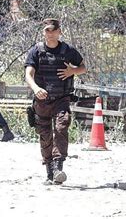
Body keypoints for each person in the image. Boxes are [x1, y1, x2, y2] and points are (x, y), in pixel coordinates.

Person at [24, 18, 86, 185]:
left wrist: (73, 71)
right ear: (43, 32)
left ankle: (58, 166)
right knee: (44, 135)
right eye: (47, 30)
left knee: (61, 126)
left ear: (59, 32)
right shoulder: (36, 51)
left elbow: (83, 67)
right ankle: (50, 172)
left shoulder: (68, 50)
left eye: (53, 30)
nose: (50, 34)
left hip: (61, 98)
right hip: (42, 101)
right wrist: (36, 89)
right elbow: (28, 74)